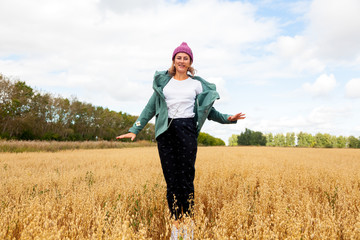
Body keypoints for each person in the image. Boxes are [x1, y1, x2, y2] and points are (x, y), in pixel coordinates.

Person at [116, 42, 246, 239]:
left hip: (186, 131)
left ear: (190, 62)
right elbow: (149, 108)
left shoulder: (196, 85)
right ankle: (176, 226)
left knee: (186, 180)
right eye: (179, 57)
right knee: (171, 181)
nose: (182, 61)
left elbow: (208, 111)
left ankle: (189, 226)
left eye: (186, 58)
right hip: (165, 132)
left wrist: (228, 119)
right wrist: (135, 129)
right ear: (174, 60)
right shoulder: (164, 84)